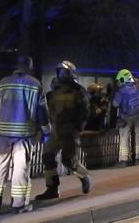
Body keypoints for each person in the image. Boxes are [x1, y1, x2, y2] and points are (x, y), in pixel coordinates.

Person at [0, 56, 51, 214]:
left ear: (16, 66)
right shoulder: (35, 84)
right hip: (24, 135)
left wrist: (3, 116)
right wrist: (46, 130)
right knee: (20, 169)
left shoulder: (3, 82)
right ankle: (18, 205)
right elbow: (42, 111)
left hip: (2, 134)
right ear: (29, 67)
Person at [35, 61, 91, 200]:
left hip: (70, 130)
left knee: (68, 161)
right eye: (59, 71)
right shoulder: (53, 91)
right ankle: (52, 188)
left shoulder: (78, 91)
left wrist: (78, 128)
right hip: (56, 129)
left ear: (71, 73)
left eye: (64, 72)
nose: (61, 74)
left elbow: (85, 111)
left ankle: (84, 176)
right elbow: (49, 110)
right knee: (47, 156)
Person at [113, 69, 139, 167]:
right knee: (137, 137)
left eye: (119, 80)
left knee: (124, 138)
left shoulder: (121, 91)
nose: (118, 82)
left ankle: (124, 160)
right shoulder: (137, 88)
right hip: (138, 117)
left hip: (126, 117)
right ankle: (136, 158)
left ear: (123, 79)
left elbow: (115, 104)